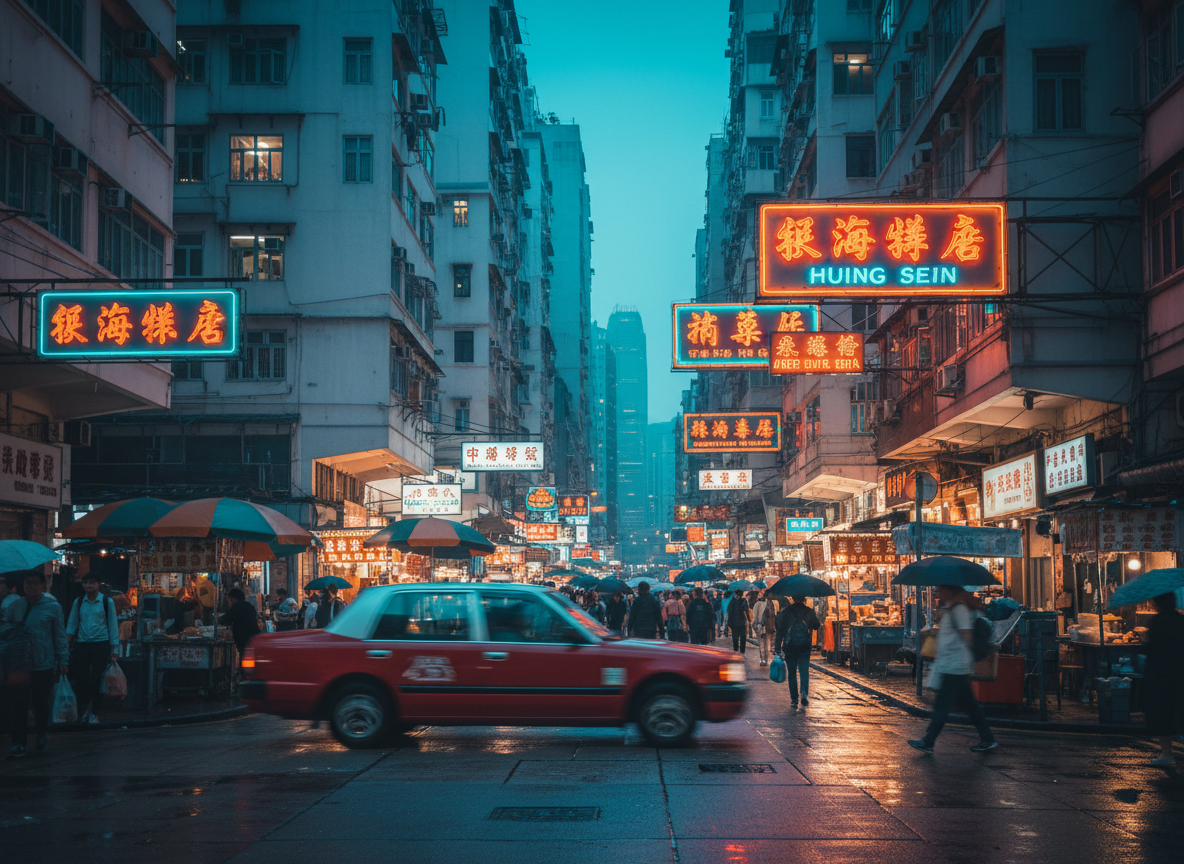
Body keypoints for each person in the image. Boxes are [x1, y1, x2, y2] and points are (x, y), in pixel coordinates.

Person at [908, 584, 997, 754]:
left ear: (950, 590)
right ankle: (987, 738)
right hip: (954, 663)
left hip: (955, 664)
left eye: (940, 589)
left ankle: (928, 741)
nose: (937, 592)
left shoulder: (959, 609)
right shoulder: (953, 608)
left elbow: (966, 634)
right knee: (969, 705)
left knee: (942, 704)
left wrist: (971, 657)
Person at [4, 572, 68, 756]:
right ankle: (18, 742)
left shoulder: (53, 608)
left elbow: (59, 635)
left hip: (43, 662)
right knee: (19, 704)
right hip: (18, 664)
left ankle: (41, 732)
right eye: (26, 583)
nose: (29, 586)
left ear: (43, 585)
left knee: (40, 702)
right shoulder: (15, 606)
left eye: (33, 583)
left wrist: (63, 660)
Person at [65, 574, 119, 725]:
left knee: (97, 679)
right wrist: (66, 643)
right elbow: (72, 623)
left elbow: (113, 626)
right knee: (81, 679)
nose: (88, 586)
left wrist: (115, 650)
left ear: (98, 584)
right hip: (82, 644)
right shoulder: (79, 601)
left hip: (101, 644)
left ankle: (95, 713)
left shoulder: (106, 602)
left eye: (91, 583)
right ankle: (83, 711)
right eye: (85, 583)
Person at [1144, 592, 1184, 767]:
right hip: (1180, 672)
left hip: (1160, 675)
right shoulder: (1181, 620)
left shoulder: (1157, 621)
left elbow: (1151, 648)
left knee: (1163, 715)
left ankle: (1167, 754)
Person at [774, 595, 821, 707]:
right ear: (804, 599)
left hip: (790, 646)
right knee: (804, 671)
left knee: (792, 673)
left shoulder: (786, 612)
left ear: (793, 599)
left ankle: (794, 699)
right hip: (805, 645)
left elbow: (780, 630)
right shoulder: (809, 611)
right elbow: (817, 626)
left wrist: (777, 646)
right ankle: (804, 693)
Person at [219, 588, 261, 660]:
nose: (228, 602)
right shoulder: (249, 605)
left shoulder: (236, 607)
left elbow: (224, 620)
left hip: (244, 639)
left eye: (228, 600)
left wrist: (217, 618)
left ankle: (244, 671)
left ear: (232, 598)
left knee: (245, 659)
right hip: (254, 637)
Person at [751, 592, 778, 667]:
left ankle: (763, 659)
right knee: (768, 643)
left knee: (762, 644)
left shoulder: (758, 604)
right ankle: (766, 659)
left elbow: (755, 616)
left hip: (761, 626)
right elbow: (775, 615)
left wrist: (755, 626)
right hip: (770, 626)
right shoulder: (773, 603)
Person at [726, 589, 751, 654]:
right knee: (743, 637)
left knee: (735, 638)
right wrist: (748, 619)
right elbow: (746, 610)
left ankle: (736, 650)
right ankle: (742, 651)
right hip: (742, 621)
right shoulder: (743, 601)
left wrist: (729, 622)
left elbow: (729, 611)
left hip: (734, 622)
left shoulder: (732, 601)